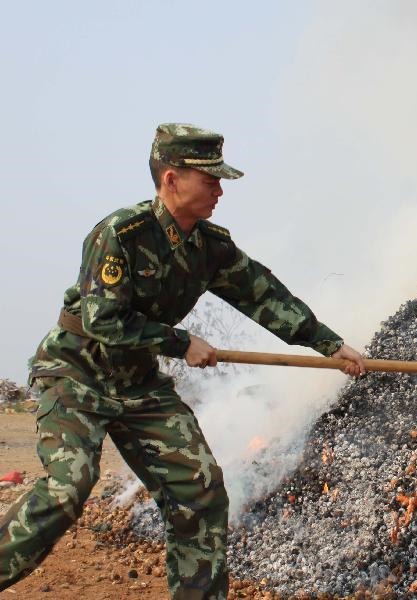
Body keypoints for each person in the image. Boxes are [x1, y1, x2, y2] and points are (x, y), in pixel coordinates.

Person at [0, 123, 365, 599]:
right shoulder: (120, 234)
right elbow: (102, 319)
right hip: (76, 374)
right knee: (69, 489)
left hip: (139, 386)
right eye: (209, 179)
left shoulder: (210, 246)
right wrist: (179, 342)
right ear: (171, 178)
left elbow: (262, 295)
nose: (218, 190)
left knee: (201, 491)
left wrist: (328, 344)